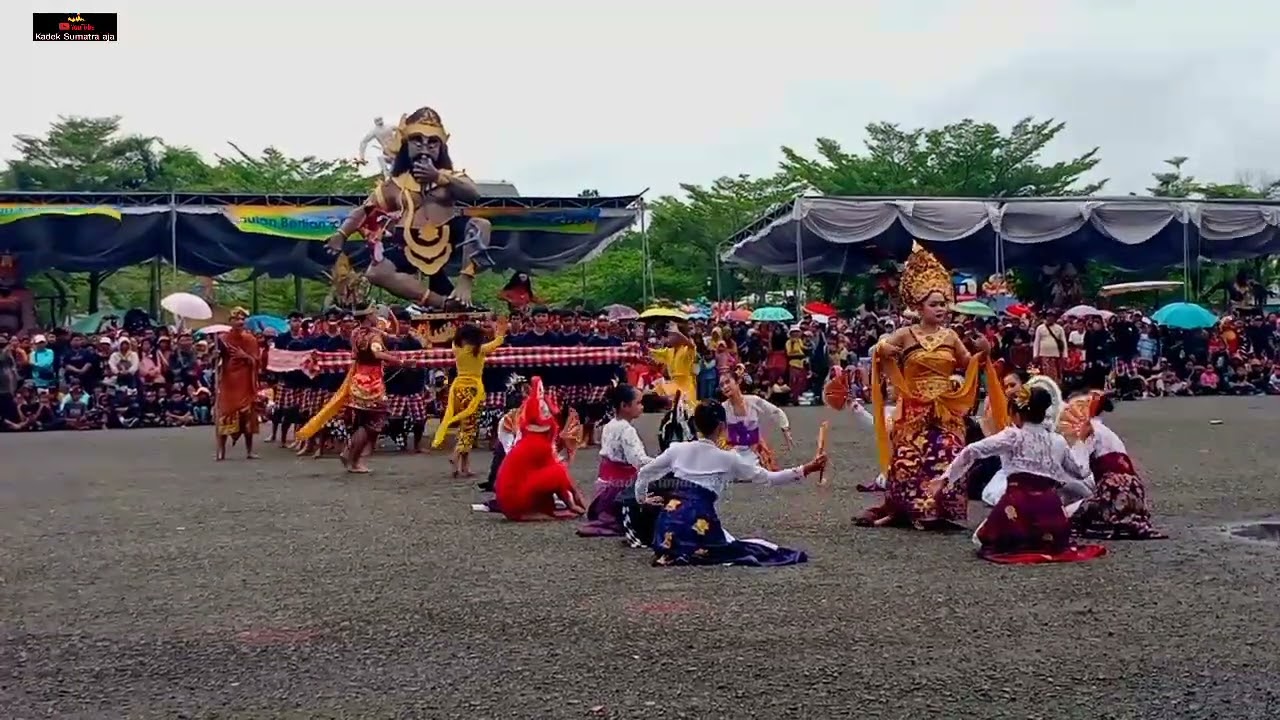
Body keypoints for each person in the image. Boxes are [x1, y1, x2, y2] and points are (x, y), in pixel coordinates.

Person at [858, 243, 1006, 530]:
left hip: (946, 409)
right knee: (910, 460)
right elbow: (880, 349)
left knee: (949, 454)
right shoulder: (904, 334)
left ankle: (942, 509)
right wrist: (883, 350)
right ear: (919, 307)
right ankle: (911, 510)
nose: (941, 309)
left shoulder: (951, 336)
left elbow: (968, 363)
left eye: (943, 304)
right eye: (934, 304)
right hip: (913, 408)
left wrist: (984, 352)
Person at [325, 107, 493, 309]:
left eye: (433, 142)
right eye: (417, 140)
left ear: (441, 147)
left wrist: (438, 177)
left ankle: (465, 284)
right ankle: (442, 303)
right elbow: (364, 210)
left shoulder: (450, 177)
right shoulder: (394, 185)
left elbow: (474, 194)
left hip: (448, 235)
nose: (425, 146)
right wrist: (341, 233)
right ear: (406, 144)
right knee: (376, 273)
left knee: (480, 225)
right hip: (409, 241)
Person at [634, 400, 826, 567]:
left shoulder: (677, 449)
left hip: (666, 525)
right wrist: (807, 468)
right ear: (721, 427)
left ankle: (675, 551)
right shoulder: (728, 458)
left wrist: (642, 499)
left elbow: (644, 472)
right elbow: (769, 478)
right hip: (700, 521)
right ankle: (689, 549)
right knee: (756, 549)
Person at [935, 385, 1107, 564]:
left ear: (1016, 415)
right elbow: (1081, 472)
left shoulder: (1014, 436)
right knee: (1045, 539)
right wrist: (1083, 442)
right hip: (1052, 512)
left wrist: (946, 479)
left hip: (1018, 506)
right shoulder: (1058, 441)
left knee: (981, 539)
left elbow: (972, 450)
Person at [297, 309, 406, 473]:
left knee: (363, 423)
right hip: (372, 384)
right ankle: (352, 457)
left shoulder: (356, 333)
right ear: (368, 316)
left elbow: (377, 340)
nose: (377, 317)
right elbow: (377, 353)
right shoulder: (372, 337)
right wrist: (399, 361)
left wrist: (390, 334)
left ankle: (351, 456)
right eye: (374, 314)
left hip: (357, 379)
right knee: (370, 425)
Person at [1068, 392, 1168, 540]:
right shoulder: (1108, 432)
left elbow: (1080, 470)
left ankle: (1107, 521)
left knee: (1064, 514)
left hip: (1114, 492)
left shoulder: (1088, 430)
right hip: (1136, 493)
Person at [493, 377, 588, 521]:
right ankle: (532, 512)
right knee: (558, 471)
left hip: (512, 496)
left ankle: (543, 508)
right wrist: (574, 497)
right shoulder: (537, 442)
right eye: (543, 411)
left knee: (555, 471)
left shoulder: (534, 436)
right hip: (514, 500)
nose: (548, 414)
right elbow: (558, 474)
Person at [434, 317, 507, 477]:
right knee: (470, 428)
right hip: (473, 390)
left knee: (464, 427)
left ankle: (463, 467)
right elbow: (498, 342)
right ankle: (456, 455)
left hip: (458, 388)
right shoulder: (479, 349)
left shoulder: (456, 347)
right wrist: (498, 331)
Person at [578, 383, 653, 537]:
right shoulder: (627, 430)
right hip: (619, 488)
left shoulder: (609, 426)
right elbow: (638, 460)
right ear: (624, 406)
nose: (642, 407)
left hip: (605, 488)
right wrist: (661, 462)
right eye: (638, 403)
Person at [719, 365, 793, 473]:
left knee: (754, 468)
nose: (725, 387)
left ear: (737, 381)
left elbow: (776, 411)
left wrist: (785, 430)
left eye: (727, 382)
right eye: (721, 385)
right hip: (734, 451)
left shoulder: (753, 401)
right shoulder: (723, 408)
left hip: (754, 450)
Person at [214, 308, 262, 461]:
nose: (240, 322)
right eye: (236, 319)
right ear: (230, 321)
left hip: (245, 381)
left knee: (247, 416)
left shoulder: (251, 340)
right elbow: (217, 360)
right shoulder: (222, 339)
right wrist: (215, 356)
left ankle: (249, 451)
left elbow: (256, 361)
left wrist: (245, 356)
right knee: (226, 414)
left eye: (242, 319)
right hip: (229, 381)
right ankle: (221, 450)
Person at [650, 323, 697, 409]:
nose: (668, 338)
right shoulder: (669, 351)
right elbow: (652, 352)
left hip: (686, 386)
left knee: (687, 412)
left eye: (671, 335)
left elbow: (691, 345)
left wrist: (678, 333)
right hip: (673, 384)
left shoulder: (687, 349)